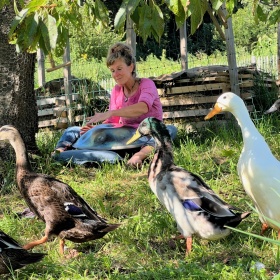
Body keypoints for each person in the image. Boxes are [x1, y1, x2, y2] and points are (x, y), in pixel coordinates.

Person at [52, 42, 177, 168]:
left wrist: (111, 112)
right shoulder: (117, 90)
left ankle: (137, 157)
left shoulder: (146, 84)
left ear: (131, 67)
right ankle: (59, 153)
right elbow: (113, 121)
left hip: (143, 137)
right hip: (121, 136)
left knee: (168, 130)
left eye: (119, 69)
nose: (115, 74)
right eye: (112, 70)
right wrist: (95, 130)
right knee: (73, 130)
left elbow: (143, 107)